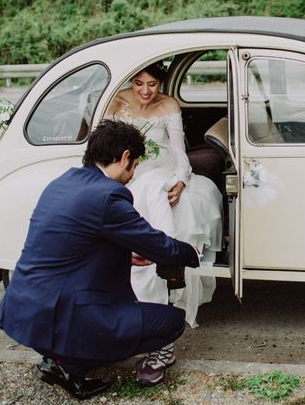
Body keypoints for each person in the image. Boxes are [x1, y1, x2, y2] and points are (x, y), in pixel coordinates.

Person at [0, 120, 201, 400]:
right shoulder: (109, 194)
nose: (133, 173)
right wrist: (192, 253)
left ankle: (58, 357)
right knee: (172, 322)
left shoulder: (63, 181)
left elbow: (73, 244)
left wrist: (126, 255)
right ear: (125, 157)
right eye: (136, 164)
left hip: (24, 309)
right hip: (60, 311)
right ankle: (70, 364)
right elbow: (157, 244)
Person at [107, 61, 223, 384]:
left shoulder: (168, 105)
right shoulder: (116, 102)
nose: (145, 92)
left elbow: (179, 152)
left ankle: (162, 263)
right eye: (139, 84)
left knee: (154, 202)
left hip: (162, 173)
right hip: (126, 175)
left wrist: (182, 181)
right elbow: (103, 148)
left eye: (152, 85)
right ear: (132, 81)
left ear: (161, 84)